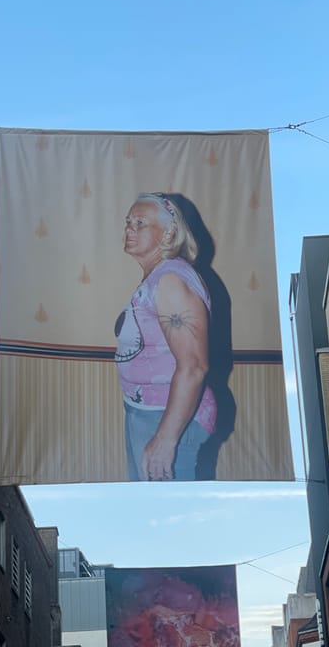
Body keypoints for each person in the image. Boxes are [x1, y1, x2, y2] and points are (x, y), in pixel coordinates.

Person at [114, 192, 216, 481]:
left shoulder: (171, 280)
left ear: (169, 232)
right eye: (128, 222)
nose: (129, 229)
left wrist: (165, 439)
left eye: (140, 223)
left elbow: (194, 367)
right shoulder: (158, 278)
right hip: (148, 412)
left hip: (168, 417)